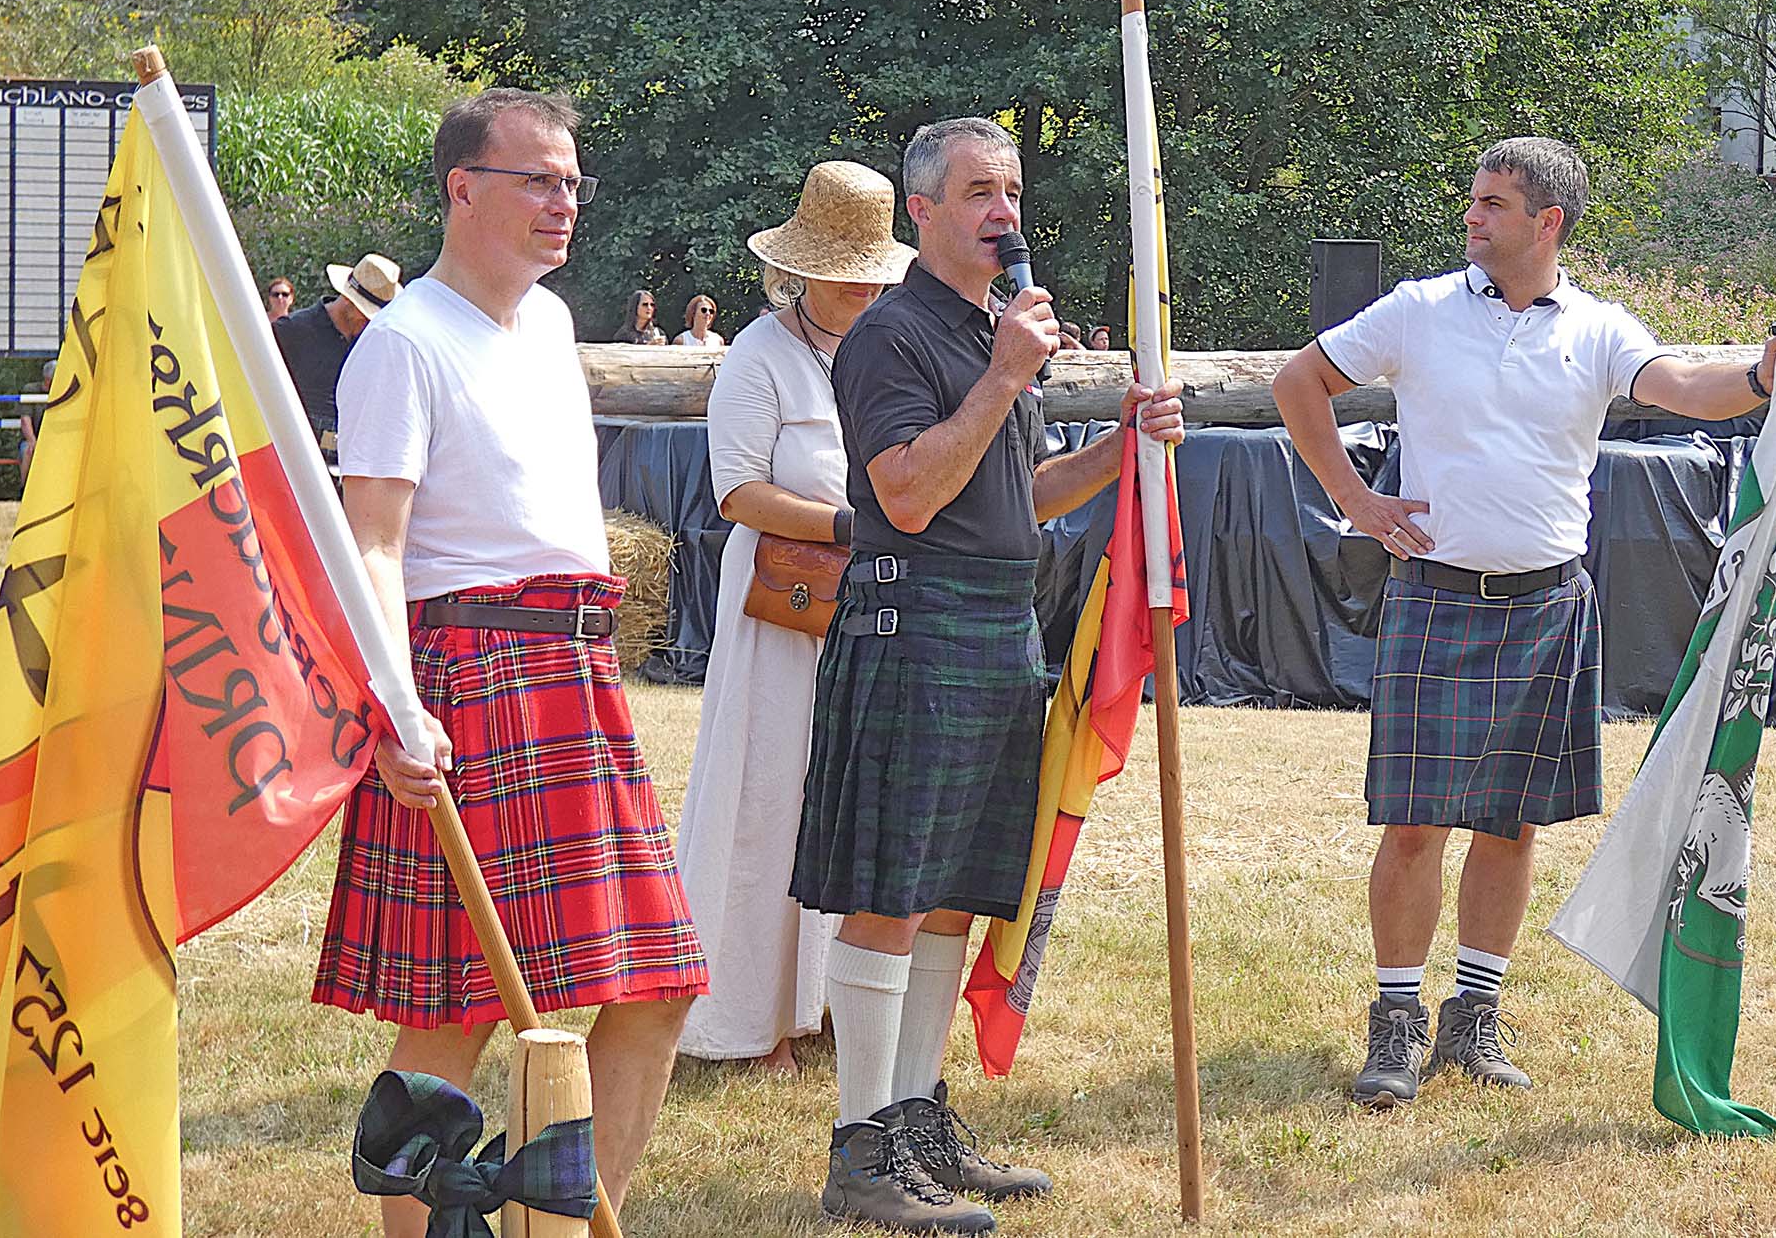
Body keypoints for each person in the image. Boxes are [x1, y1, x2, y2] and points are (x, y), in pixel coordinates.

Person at [1269, 136, 1776, 1111]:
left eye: (1490, 204)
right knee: (1410, 826)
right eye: (1471, 200)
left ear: (1545, 222)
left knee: (1511, 825)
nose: (1470, 218)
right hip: (1435, 596)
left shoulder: (1597, 330)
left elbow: (1684, 390)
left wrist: (1764, 376)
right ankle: (1395, 1023)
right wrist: (1356, 500)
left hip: (1545, 604)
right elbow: (1295, 384)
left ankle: (1470, 1019)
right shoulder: (1419, 311)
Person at [310, 88, 704, 1238]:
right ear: (462, 188)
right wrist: (396, 704)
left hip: (574, 674)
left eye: (572, 180)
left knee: (656, 987)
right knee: (459, 1002)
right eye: (537, 177)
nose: (562, 200)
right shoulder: (402, 345)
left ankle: (568, 1226)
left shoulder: (546, 322)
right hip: (467, 676)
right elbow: (373, 541)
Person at [792, 117, 1184, 1233]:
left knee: (954, 895)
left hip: (997, 630)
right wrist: (1006, 379)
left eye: (1009, 190)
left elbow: (1016, 498)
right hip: (911, 628)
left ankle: (913, 1119)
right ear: (920, 213)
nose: (1001, 211)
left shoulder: (990, 334)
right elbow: (907, 496)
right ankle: (859, 1149)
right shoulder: (893, 337)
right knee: (889, 896)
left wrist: (1122, 447)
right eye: (975, 192)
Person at [674, 161, 915, 1074]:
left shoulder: (894, 349)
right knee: (769, 800)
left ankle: (828, 1006)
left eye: (869, 269)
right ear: (798, 268)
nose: (858, 284)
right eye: (841, 266)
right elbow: (737, 492)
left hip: (878, 606)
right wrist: (858, 524)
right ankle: (750, 1013)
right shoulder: (756, 354)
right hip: (783, 618)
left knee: (854, 801)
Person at [272, 252, 399, 448]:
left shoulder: (373, 342)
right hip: (292, 460)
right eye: (365, 314)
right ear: (349, 299)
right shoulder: (290, 331)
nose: (369, 322)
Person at [18, 358, 57, 484]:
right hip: (33, 438)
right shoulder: (30, 390)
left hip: (56, 440)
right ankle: (25, 491)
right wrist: (32, 441)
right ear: (48, 380)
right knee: (28, 451)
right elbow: (25, 419)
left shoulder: (64, 392)